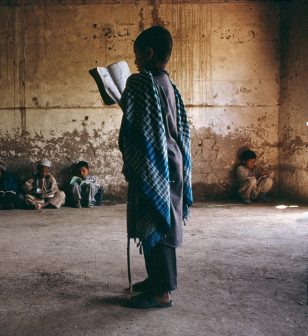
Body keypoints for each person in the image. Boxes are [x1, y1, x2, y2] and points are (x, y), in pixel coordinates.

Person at [119, 26, 193, 309]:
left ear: (148, 53)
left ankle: (162, 292)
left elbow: (134, 120)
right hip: (171, 160)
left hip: (154, 163)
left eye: (136, 54)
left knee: (158, 221)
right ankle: (156, 281)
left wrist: (115, 93)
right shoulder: (168, 84)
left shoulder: (141, 82)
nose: (135, 61)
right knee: (161, 220)